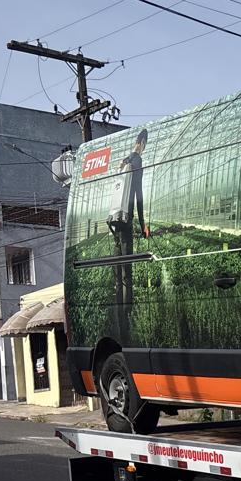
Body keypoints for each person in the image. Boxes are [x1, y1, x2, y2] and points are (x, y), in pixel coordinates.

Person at [109, 128, 150, 340]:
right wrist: (143, 224)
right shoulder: (137, 161)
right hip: (127, 220)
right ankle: (127, 322)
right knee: (127, 274)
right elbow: (138, 194)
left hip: (115, 221)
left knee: (118, 275)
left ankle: (117, 322)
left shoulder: (123, 161)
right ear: (142, 142)